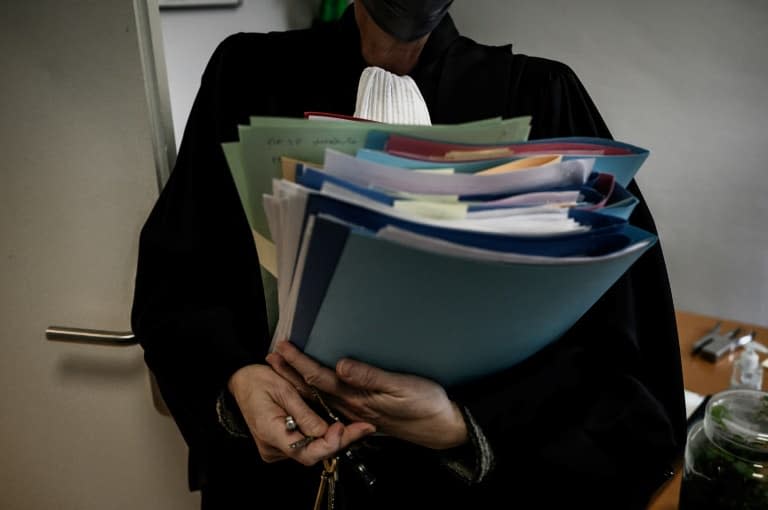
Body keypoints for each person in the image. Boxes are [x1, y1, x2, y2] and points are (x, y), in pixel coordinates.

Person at [131, 1, 687, 508]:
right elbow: (178, 285)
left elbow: (627, 372)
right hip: (276, 490)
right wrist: (237, 383)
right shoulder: (248, 76)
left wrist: (465, 426)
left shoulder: (543, 95)